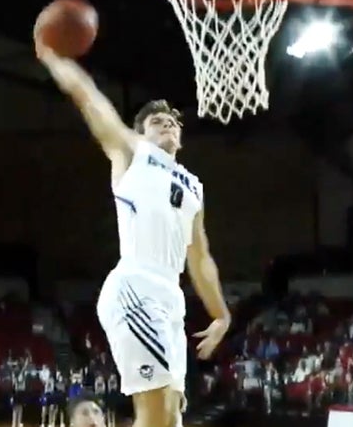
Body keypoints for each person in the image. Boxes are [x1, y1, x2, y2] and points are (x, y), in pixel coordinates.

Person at [37, 47, 232, 427]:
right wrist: (57, 60)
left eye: (172, 121)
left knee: (173, 415)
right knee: (155, 412)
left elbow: (200, 256)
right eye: (156, 121)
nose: (166, 124)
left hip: (170, 297)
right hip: (135, 286)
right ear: (141, 131)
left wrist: (221, 313)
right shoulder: (131, 152)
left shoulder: (194, 186)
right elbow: (93, 102)